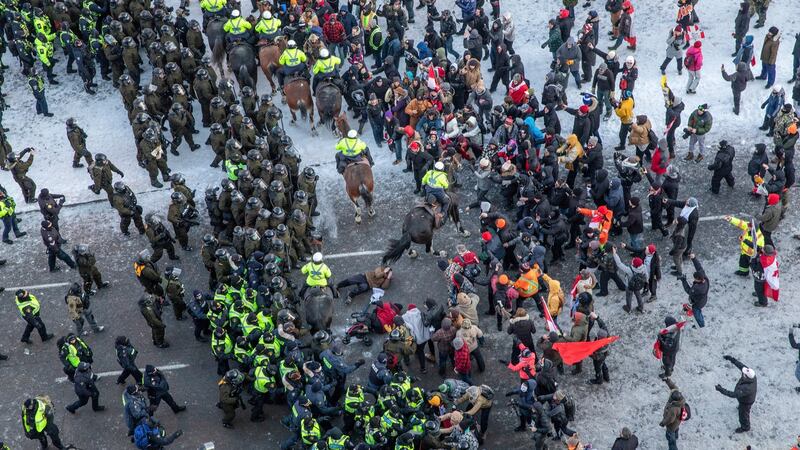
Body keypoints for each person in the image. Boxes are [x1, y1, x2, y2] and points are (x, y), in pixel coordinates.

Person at [715, 355, 757, 433]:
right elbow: (741, 366)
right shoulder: (751, 375)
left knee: (743, 415)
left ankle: (745, 427)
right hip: (744, 399)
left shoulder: (746, 388)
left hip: (745, 402)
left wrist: (721, 389)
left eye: (744, 374)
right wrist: (732, 359)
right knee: (742, 409)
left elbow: (733, 394)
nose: (742, 373)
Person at [679, 253, 708, 328]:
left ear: (698, 279)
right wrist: (694, 258)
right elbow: (699, 268)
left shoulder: (697, 288)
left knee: (696, 313)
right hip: (703, 300)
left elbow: (688, 290)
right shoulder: (705, 278)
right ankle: (699, 320)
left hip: (698, 304)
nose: (693, 279)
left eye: (695, 278)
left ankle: (700, 324)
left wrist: (683, 280)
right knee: (698, 311)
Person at [659, 377, 684, 450]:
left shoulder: (673, 409)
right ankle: (676, 435)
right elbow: (674, 387)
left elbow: (670, 419)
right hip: (677, 421)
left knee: (671, 439)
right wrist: (668, 381)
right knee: (676, 429)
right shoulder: (680, 398)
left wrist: (663, 423)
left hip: (672, 426)